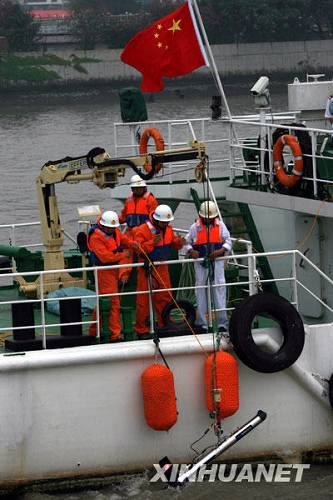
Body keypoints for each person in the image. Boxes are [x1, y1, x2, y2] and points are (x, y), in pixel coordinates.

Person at [134, 204, 185, 339]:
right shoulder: (142, 230)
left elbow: (174, 243)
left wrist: (180, 242)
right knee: (143, 300)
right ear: (156, 220)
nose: (166, 224)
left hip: (162, 267)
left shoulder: (168, 229)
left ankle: (164, 323)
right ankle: (141, 328)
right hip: (146, 267)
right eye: (164, 222)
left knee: (165, 297)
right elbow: (138, 249)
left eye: (167, 222)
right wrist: (152, 243)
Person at [87, 210, 136, 342]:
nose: (111, 230)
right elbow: (104, 257)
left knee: (103, 302)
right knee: (113, 301)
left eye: (113, 228)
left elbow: (124, 240)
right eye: (109, 228)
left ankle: (93, 331)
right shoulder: (96, 237)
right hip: (103, 270)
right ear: (103, 226)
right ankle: (115, 335)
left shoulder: (115, 231)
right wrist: (122, 255)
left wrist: (134, 245)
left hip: (113, 268)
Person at [185, 200, 232, 333]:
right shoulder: (194, 228)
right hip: (201, 264)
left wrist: (220, 251)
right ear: (201, 216)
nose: (209, 220)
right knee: (201, 292)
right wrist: (191, 251)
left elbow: (228, 241)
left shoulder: (221, 226)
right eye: (207, 218)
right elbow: (187, 242)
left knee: (219, 290)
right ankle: (202, 324)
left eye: (211, 218)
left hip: (216, 263)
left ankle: (222, 323)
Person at [118, 174, 158, 285]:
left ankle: (147, 273)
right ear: (132, 188)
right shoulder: (129, 200)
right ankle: (123, 277)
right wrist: (112, 221)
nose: (137, 190)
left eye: (139, 187)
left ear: (144, 187)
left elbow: (155, 219)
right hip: (130, 231)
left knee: (143, 249)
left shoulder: (150, 200)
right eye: (135, 188)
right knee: (125, 250)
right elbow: (123, 216)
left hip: (144, 232)